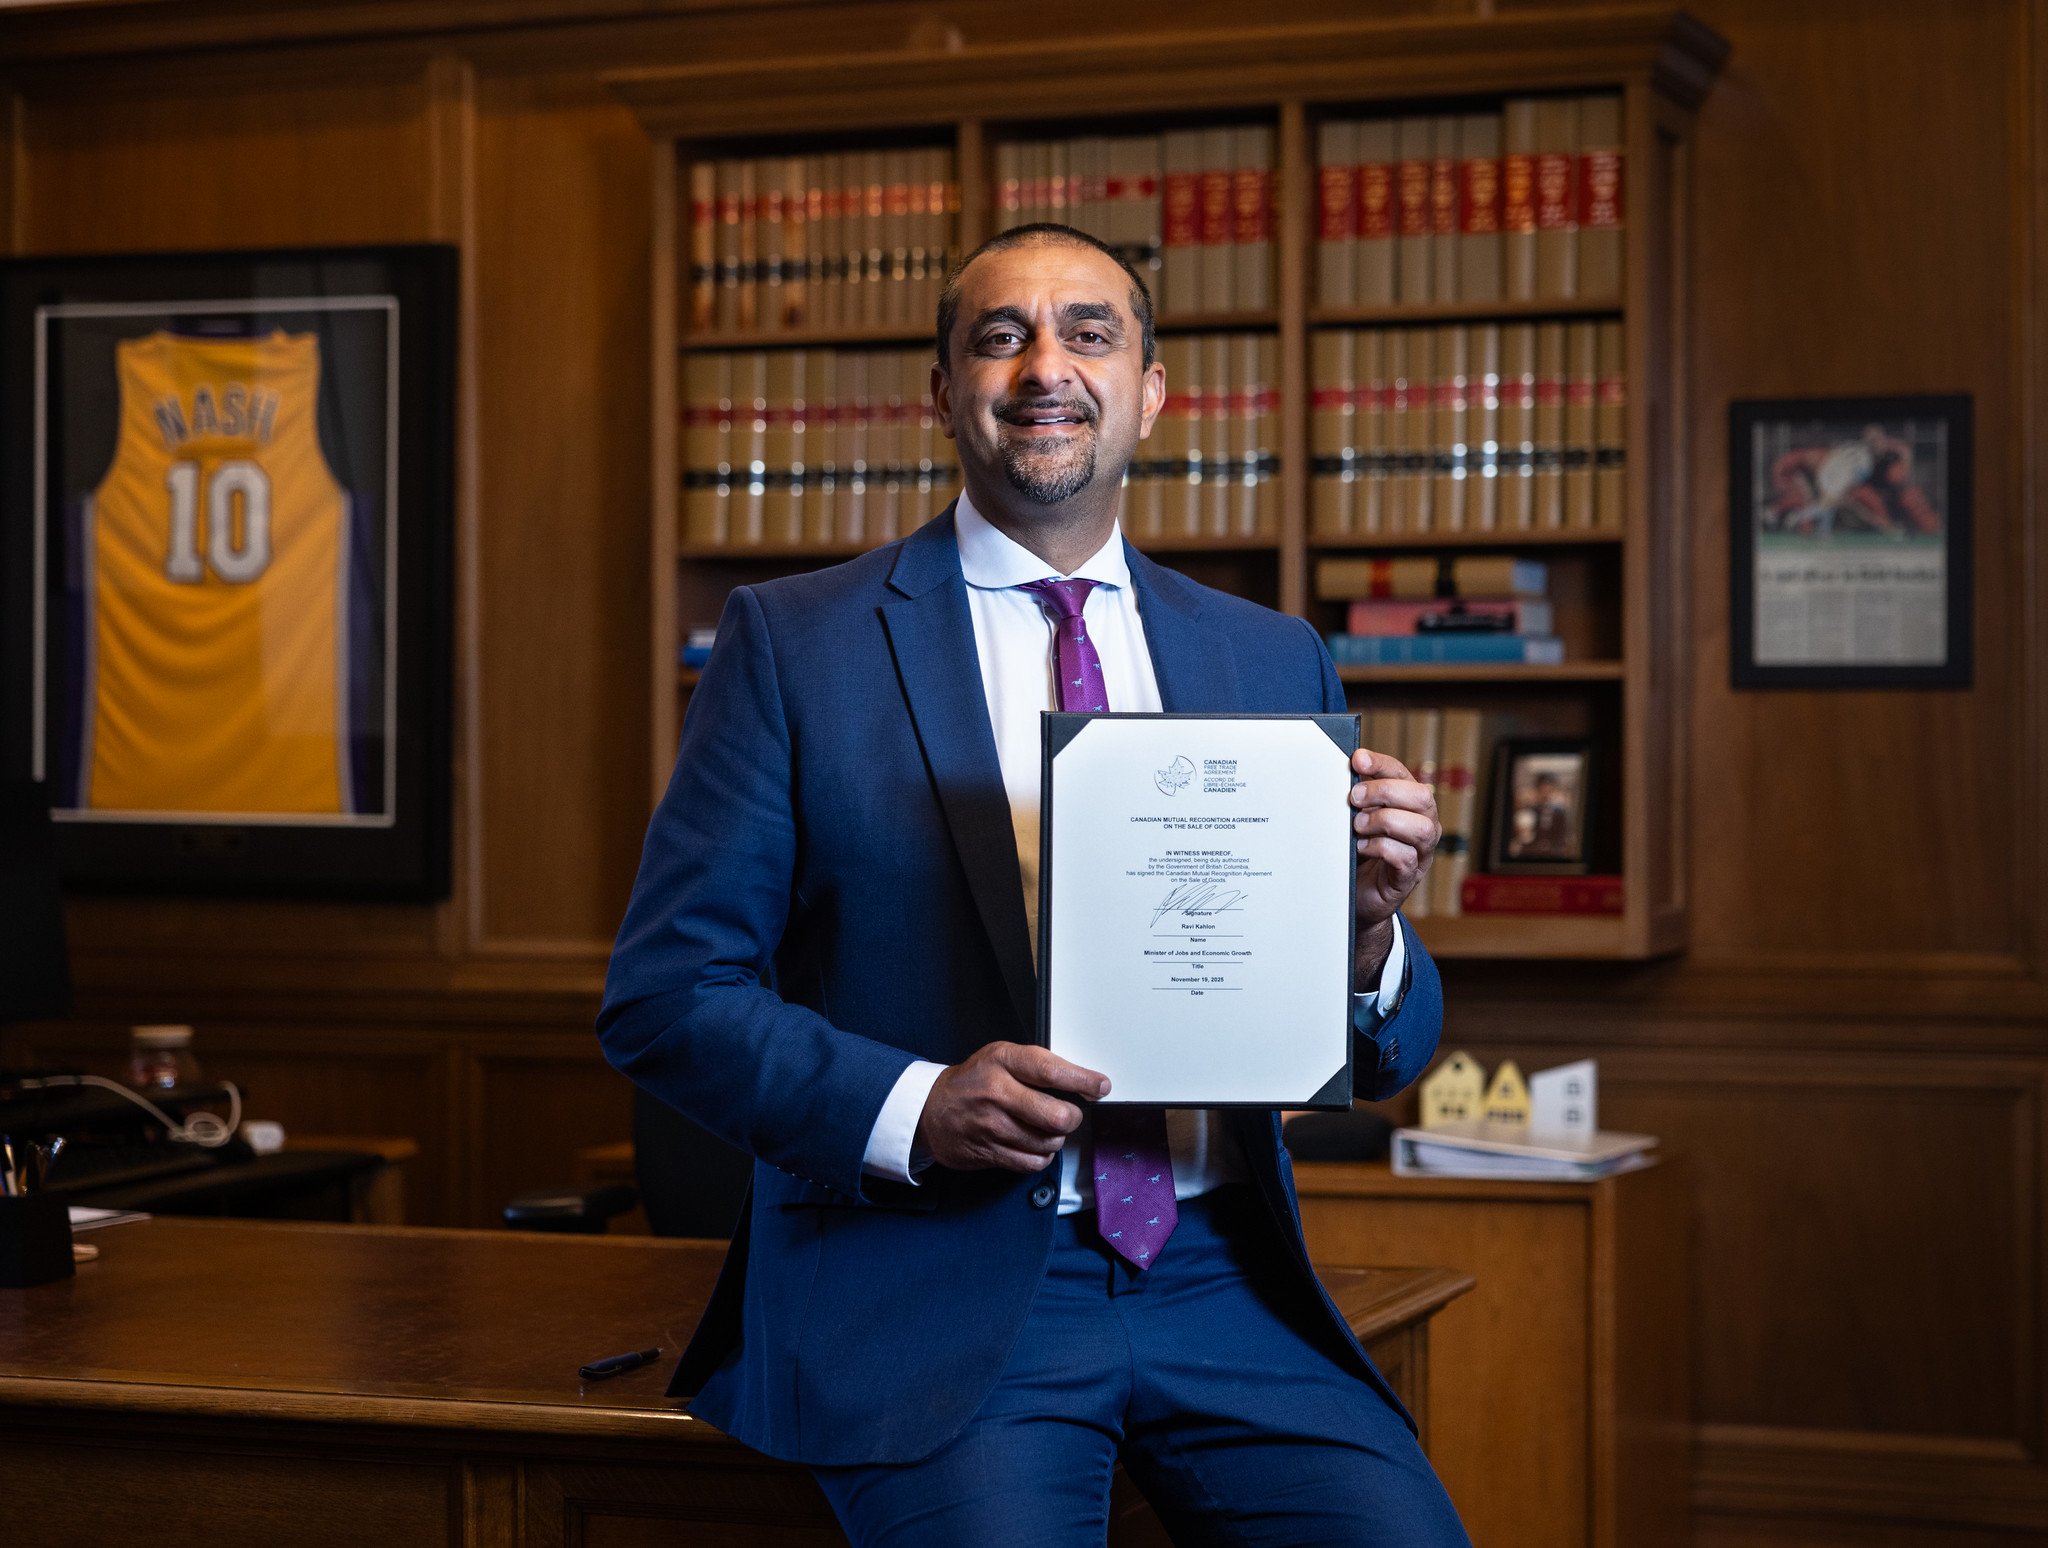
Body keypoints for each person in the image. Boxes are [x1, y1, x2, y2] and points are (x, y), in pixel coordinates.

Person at [599, 223, 1467, 1547]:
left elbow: (1393, 1045)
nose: (1043, 366)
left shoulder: (1269, 660)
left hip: (1216, 1270)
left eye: (1089, 333)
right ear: (944, 393)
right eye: (1000, 337)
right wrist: (918, 1106)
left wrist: (1361, 935)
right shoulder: (795, 645)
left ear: (1153, 395)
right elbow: (666, 997)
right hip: (931, 1284)